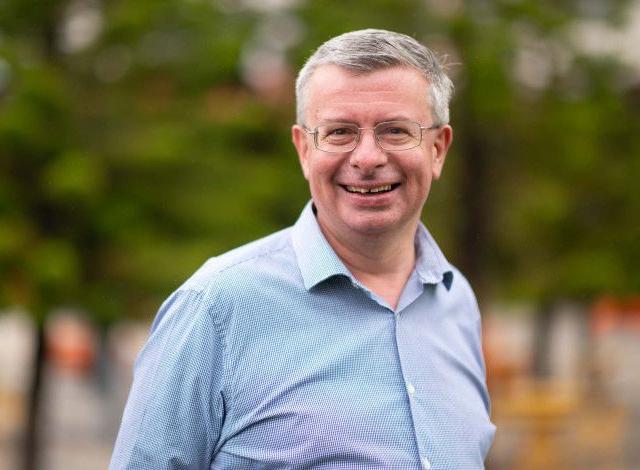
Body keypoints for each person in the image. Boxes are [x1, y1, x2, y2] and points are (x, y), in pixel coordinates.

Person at [110, 29, 495, 469]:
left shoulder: (455, 301)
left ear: (438, 149)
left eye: (395, 131)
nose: (367, 157)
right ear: (303, 150)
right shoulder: (215, 309)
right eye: (339, 132)